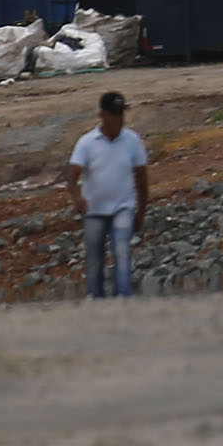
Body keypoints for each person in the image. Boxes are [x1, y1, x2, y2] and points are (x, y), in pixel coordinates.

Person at [68, 90, 149, 300]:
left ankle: (123, 298)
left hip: (123, 207)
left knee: (122, 252)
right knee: (94, 258)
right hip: (93, 210)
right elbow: (72, 176)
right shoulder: (86, 143)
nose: (119, 120)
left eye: (121, 114)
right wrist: (78, 198)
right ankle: (95, 298)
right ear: (103, 115)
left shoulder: (132, 141)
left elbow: (141, 178)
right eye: (114, 115)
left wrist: (141, 210)